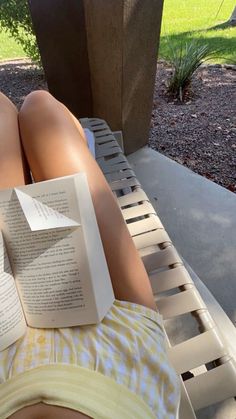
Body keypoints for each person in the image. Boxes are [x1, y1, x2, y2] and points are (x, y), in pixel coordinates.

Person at [0, 90, 180, 419]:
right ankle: (78, 152)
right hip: (122, 355)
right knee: (40, 109)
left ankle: (57, 161)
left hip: (6, 361)